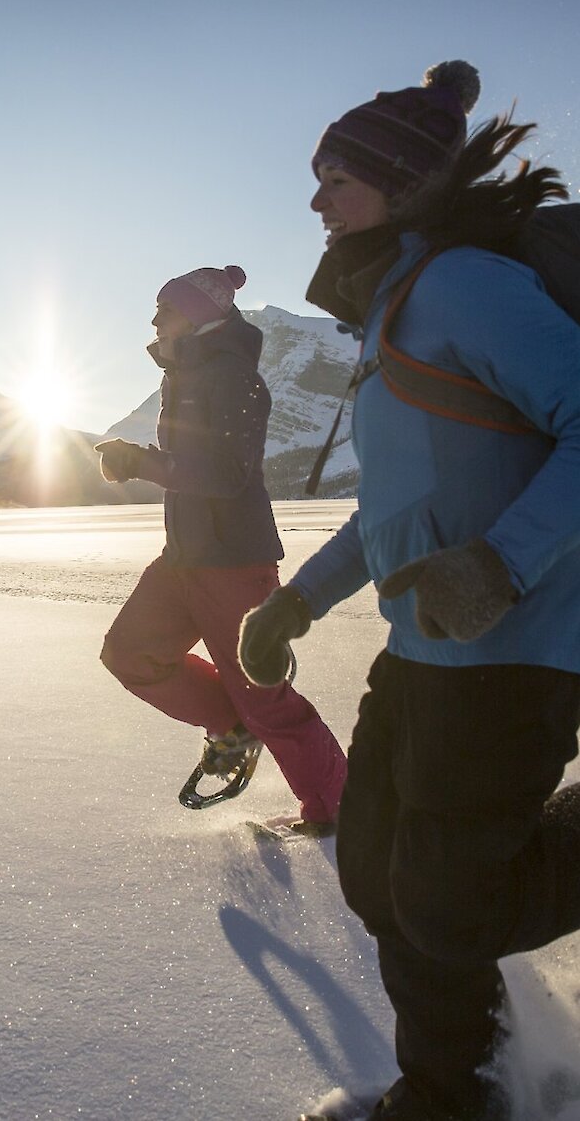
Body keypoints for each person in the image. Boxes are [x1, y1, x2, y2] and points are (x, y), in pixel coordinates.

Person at [238, 60, 580, 1121]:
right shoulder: (392, 312)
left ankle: (448, 1099)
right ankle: (461, 1077)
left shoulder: (465, 285)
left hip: (516, 648)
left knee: (446, 901)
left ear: (401, 182)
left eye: (335, 176)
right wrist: (301, 599)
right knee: (381, 881)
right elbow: (391, 508)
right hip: (424, 649)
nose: (315, 198)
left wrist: (499, 563)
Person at [97, 264, 347, 831]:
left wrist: (142, 462)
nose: (155, 319)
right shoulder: (184, 375)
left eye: (167, 308)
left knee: (265, 697)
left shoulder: (232, 377)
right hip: (183, 556)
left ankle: (340, 807)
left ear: (199, 316)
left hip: (235, 561)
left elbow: (228, 474)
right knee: (131, 653)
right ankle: (232, 725)